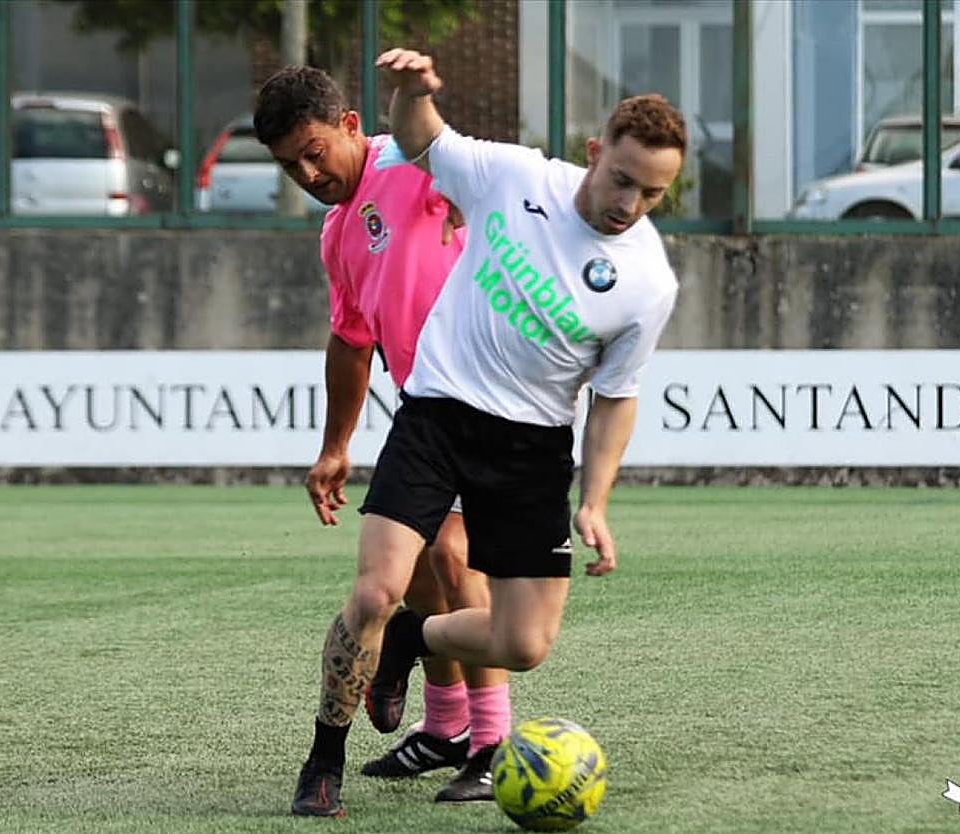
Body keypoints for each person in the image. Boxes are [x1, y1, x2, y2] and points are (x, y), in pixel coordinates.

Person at [289, 46, 686, 818]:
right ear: (595, 154)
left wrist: (595, 500)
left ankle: (415, 641)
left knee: (524, 644)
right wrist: (412, 90)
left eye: (653, 194)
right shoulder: (516, 176)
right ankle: (323, 759)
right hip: (436, 415)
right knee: (374, 592)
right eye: (622, 180)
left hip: (531, 448)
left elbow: (614, 397)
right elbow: (419, 139)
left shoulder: (648, 282)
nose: (629, 204)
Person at [251, 65, 511, 810]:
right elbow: (350, 338)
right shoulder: (337, 234)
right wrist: (336, 445)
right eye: (288, 165)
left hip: (495, 399)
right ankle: (447, 726)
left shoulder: (416, 161)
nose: (307, 173)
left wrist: (474, 207)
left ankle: (490, 744)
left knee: (456, 555)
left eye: (314, 151)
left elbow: (501, 189)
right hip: (423, 412)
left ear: (353, 125)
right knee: (413, 574)